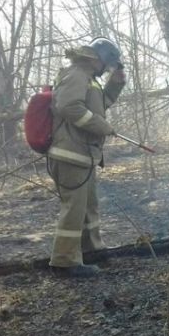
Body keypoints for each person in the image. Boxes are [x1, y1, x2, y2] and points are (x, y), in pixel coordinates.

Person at [47, 37, 126, 278]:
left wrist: (116, 85)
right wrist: (101, 126)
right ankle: (65, 261)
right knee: (74, 208)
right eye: (110, 64)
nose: (109, 68)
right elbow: (69, 107)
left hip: (83, 154)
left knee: (88, 206)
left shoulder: (89, 79)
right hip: (70, 154)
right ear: (101, 59)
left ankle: (92, 250)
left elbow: (99, 106)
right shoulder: (77, 73)